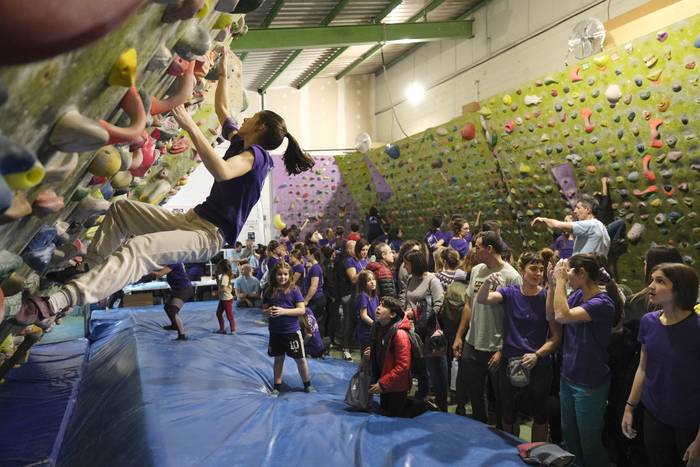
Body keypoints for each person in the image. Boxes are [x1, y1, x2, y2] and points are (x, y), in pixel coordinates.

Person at [20, 50, 314, 325]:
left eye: (253, 118)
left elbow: (223, 172)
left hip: (209, 235)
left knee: (141, 248)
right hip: (193, 220)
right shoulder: (240, 141)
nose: (247, 118)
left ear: (260, 127)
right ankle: (90, 268)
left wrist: (189, 125)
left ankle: (57, 301)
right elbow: (223, 108)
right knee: (123, 210)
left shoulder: (257, 157)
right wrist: (224, 74)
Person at [476, 252, 562, 441]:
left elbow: (556, 337)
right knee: (508, 413)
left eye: (541, 270)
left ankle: (537, 453)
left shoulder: (547, 296)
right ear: (522, 270)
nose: (538, 273)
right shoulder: (510, 292)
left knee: (540, 414)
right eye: (533, 268)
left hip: (539, 364)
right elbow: (482, 299)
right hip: (511, 361)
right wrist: (488, 283)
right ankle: (510, 453)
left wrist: (537, 355)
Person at [548, 253, 623, 467]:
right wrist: (554, 285)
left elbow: (563, 316)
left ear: (582, 273)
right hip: (568, 376)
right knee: (570, 439)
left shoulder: (602, 302)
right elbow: (553, 315)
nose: (567, 275)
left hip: (589, 382)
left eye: (570, 271)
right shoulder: (577, 296)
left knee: (589, 443)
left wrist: (561, 282)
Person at [622, 263, 700, 467]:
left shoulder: (696, 329)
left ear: (680, 288)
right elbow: (643, 368)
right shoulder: (649, 321)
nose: (651, 286)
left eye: (660, 281)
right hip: (654, 415)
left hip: (690, 423)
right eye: (652, 280)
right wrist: (629, 407)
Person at [452, 231, 522, 425]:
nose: (474, 250)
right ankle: (479, 431)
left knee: (502, 399)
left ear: (489, 249)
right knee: (476, 396)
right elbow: (469, 304)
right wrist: (460, 336)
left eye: (478, 246)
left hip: (496, 347)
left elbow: (515, 318)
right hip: (472, 343)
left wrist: (502, 349)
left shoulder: (512, 276)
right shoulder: (477, 270)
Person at [401, 250, 447, 411]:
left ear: (415, 264)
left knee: (435, 370)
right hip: (412, 331)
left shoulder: (432, 280)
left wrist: (415, 314)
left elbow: (438, 305)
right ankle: (422, 396)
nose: (404, 266)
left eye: (407, 263)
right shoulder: (410, 278)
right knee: (420, 367)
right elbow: (406, 300)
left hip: (429, 332)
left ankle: (442, 404)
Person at [262, 262, 315, 396]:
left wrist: (284, 311)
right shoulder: (269, 290)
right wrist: (267, 311)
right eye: (279, 274)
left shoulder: (294, 290)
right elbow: (263, 309)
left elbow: (302, 310)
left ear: (290, 275)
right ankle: (277, 386)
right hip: (276, 332)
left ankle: (307, 384)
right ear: (274, 275)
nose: (282, 277)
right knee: (278, 359)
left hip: (291, 332)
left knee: (301, 359)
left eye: (285, 274)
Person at [369, 297, 413, 417]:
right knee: (385, 411)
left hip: (397, 387)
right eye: (379, 304)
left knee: (395, 417)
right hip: (387, 384)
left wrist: (383, 384)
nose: (378, 307)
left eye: (383, 306)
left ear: (392, 314)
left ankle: (425, 404)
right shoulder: (380, 329)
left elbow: (403, 366)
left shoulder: (400, 334)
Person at [532, 195, 610, 257]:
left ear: (588, 210)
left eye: (578, 208)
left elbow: (558, 225)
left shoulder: (590, 225)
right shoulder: (601, 227)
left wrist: (544, 220)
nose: (575, 211)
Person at [142, 262, 192, 341]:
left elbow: (159, 274)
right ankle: (174, 325)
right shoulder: (173, 262)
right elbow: (160, 269)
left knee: (172, 310)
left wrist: (145, 274)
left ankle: (182, 335)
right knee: (167, 307)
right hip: (178, 289)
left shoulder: (175, 262)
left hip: (183, 290)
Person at [341, 239, 369, 361]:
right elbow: (353, 279)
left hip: (366, 295)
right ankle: (346, 349)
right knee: (349, 323)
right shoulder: (350, 261)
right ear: (358, 249)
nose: (365, 252)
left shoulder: (366, 260)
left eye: (367, 250)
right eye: (363, 250)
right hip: (355, 295)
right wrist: (366, 269)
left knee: (363, 321)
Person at [303, 249, 326, 338]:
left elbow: (313, 286)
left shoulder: (315, 268)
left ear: (312, 255)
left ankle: (318, 342)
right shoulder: (315, 267)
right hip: (317, 298)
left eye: (307, 253)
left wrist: (306, 300)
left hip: (316, 299)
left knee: (315, 322)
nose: (306, 256)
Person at [356, 270, 379, 355]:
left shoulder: (375, 296)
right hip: (366, 332)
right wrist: (375, 325)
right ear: (363, 284)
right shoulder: (363, 296)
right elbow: (363, 315)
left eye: (373, 279)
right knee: (366, 357)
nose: (372, 282)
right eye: (369, 280)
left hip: (373, 330)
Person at [214, 259, 235, 335]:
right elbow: (220, 286)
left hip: (227, 299)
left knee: (229, 315)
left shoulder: (225, 276)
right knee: (218, 313)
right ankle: (222, 329)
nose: (217, 269)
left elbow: (224, 288)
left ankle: (232, 330)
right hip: (223, 299)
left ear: (221, 268)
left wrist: (216, 293)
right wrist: (216, 278)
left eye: (218, 267)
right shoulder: (223, 276)